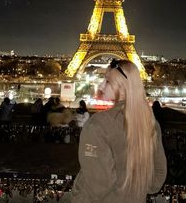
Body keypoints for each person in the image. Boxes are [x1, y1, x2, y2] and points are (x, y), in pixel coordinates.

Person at [61, 59, 167, 203]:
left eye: (107, 81)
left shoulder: (98, 124)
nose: (100, 85)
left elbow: (98, 182)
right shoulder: (150, 123)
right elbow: (157, 178)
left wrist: (77, 194)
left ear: (122, 87)